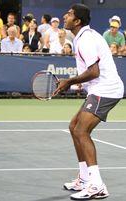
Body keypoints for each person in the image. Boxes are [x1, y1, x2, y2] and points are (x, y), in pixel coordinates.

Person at [54, 4, 124, 200]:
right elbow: (93, 71)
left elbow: (94, 71)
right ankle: (84, 178)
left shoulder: (85, 39)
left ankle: (97, 185)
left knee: (81, 131)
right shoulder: (84, 37)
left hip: (107, 89)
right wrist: (77, 85)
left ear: (77, 21)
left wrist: (70, 80)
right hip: (99, 88)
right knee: (74, 126)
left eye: (68, 14)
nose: (64, 16)